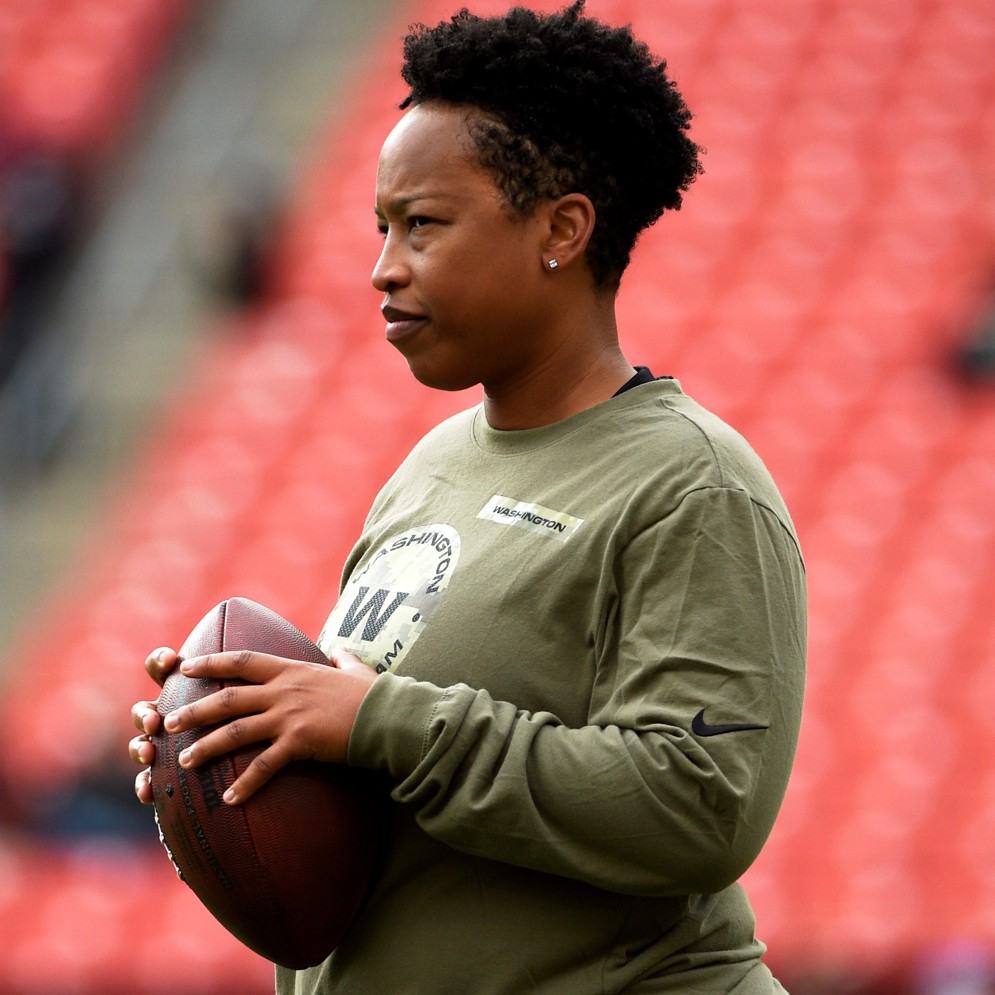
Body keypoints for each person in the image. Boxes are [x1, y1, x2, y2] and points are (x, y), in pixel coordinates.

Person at [129, 3, 806, 992]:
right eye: (380, 227)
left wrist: (371, 721)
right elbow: (382, 789)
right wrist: (236, 747)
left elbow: (699, 808)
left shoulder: (690, 483)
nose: (382, 267)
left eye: (423, 225)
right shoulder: (430, 466)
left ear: (561, 230)